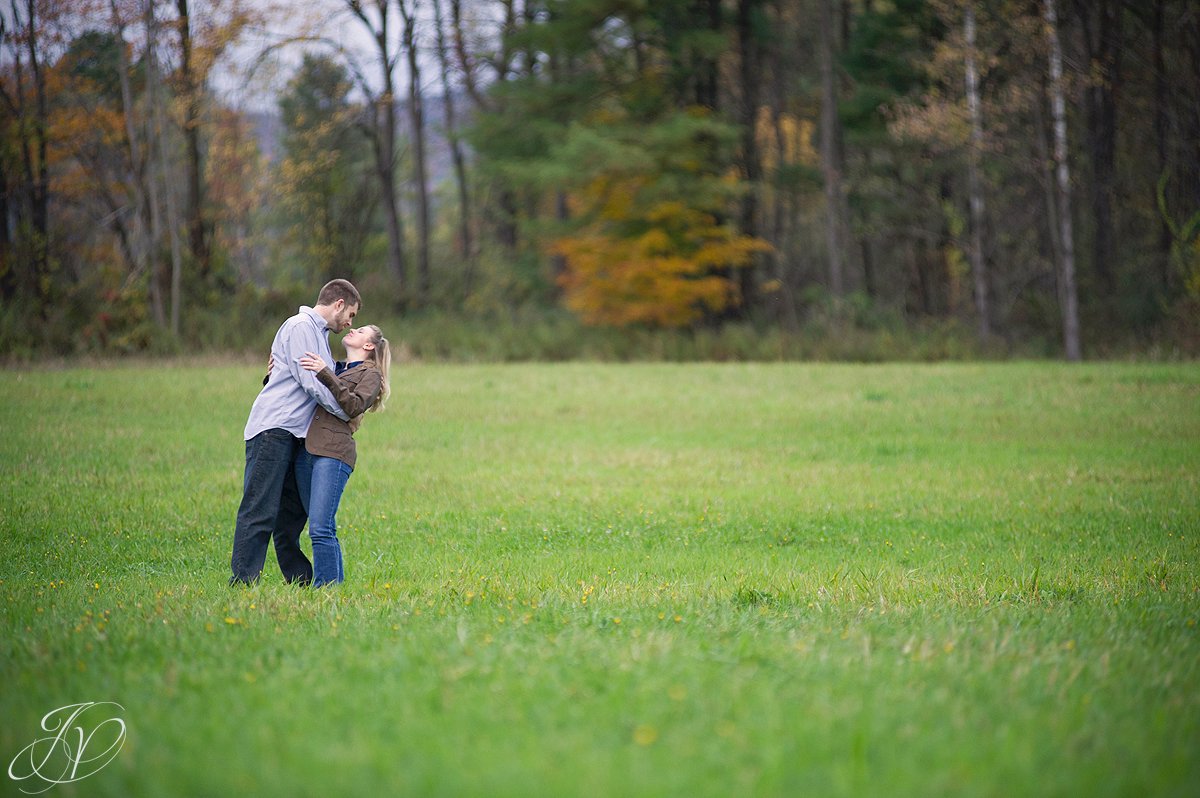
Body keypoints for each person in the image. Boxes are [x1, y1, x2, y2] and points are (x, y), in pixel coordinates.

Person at [229, 279, 361, 585]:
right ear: (338, 304)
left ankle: (301, 581)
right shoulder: (301, 326)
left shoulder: (320, 337)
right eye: (351, 314)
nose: (350, 322)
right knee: (259, 507)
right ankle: (243, 581)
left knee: (290, 517)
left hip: (296, 436)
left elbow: (329, 377)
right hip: (274, 428)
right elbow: (311, 382)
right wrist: (346, 411)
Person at [295, 324, 391, 586]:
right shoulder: (333, 365)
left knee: (320, 527)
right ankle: (333, 585)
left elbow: (354, 405)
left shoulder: (371, 375)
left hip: (334, 452)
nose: (352, 330)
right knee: (321, 525)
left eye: (360, 331)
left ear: (368, 346)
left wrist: (324, 373)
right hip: (307, 450)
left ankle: (326, 589)